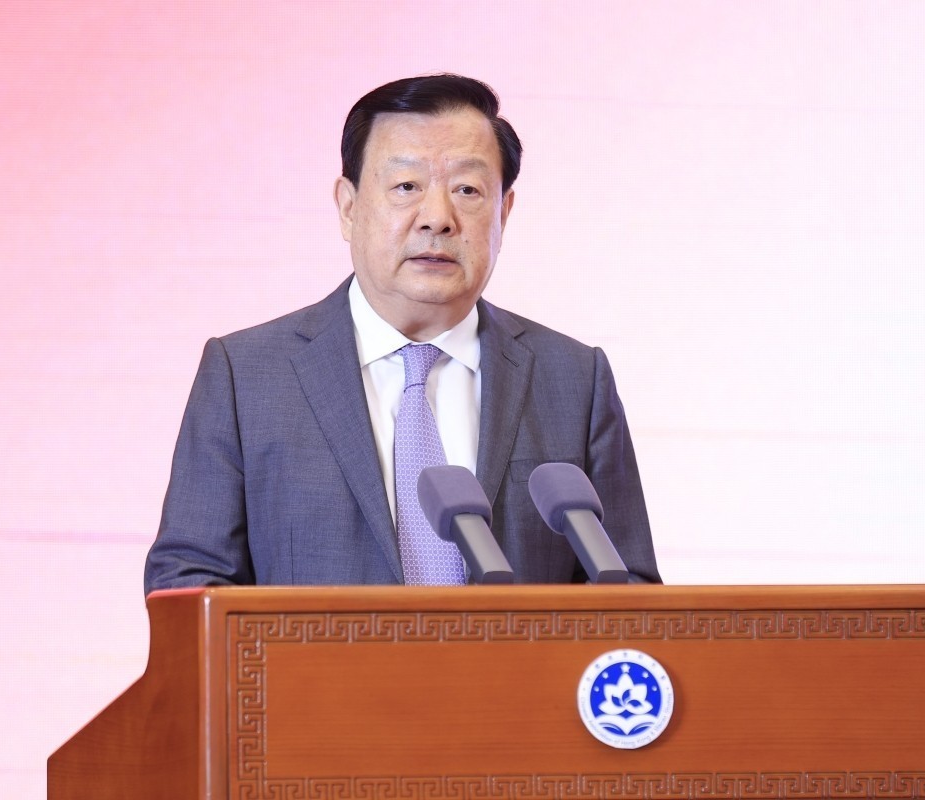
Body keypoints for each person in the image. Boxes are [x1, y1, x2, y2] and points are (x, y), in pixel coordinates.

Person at [144, 74, 659, 592]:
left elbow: (629, 591)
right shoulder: (247, 377)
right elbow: (189, 585)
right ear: (349, 208)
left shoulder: (574, 379)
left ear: (503, 213)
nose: (437, 218)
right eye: (406, 186)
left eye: (467, 190)